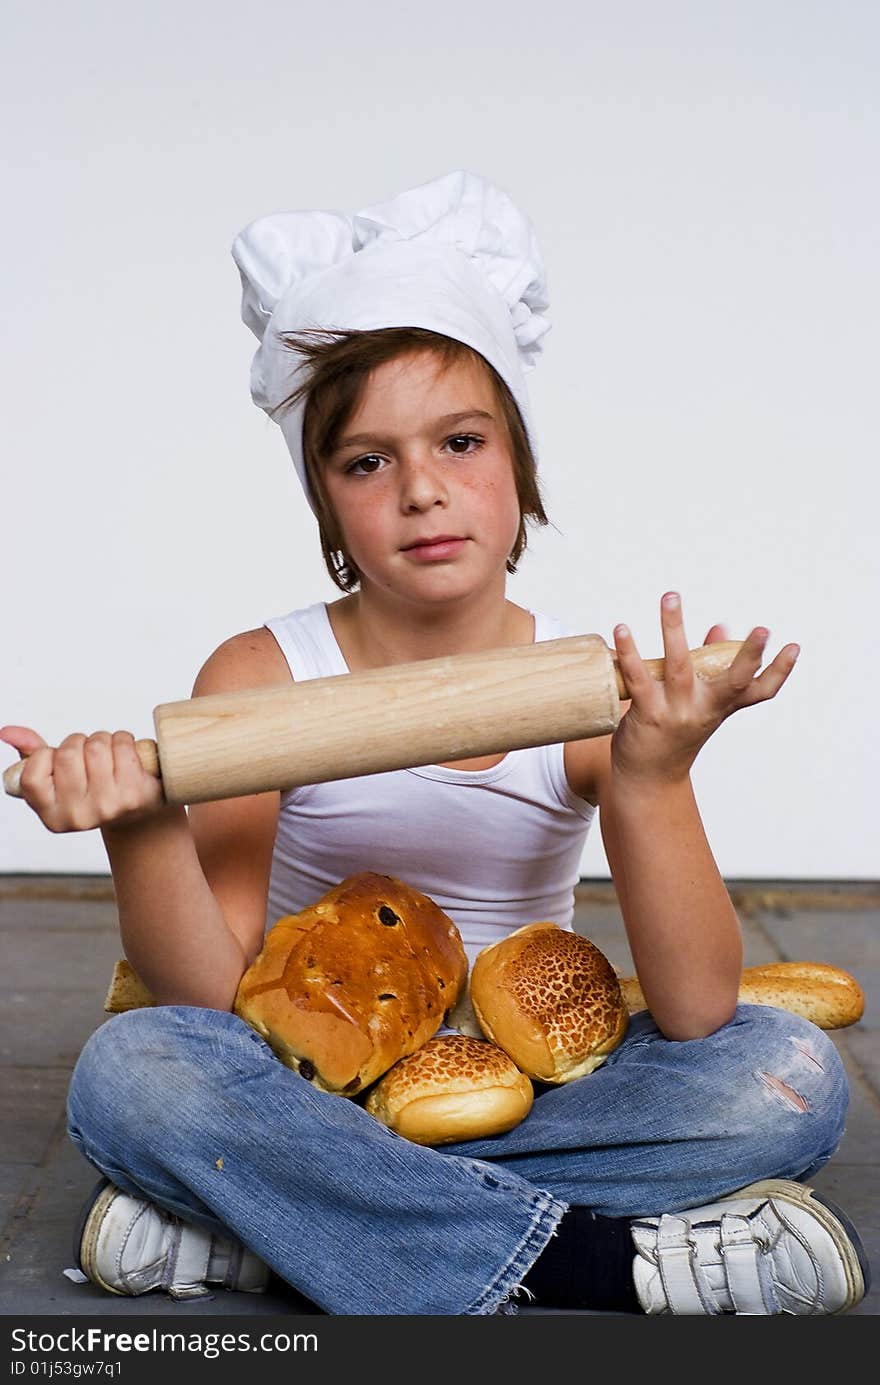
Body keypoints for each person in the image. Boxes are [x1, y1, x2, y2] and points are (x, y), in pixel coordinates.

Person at [1, 171, 869, 1316]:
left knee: (789, 1077)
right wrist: (141, 826)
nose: (421, 490)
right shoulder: (262, 675)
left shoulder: (583, 684)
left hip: (518, 1091)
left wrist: (655, 774)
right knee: (134, 1074)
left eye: (460, 442)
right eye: (367, 462)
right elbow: (212, 996)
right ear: (327, 508)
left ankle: (279, 1227)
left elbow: (699, 1004)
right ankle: (597, 1264)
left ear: (519, 471)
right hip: (307, 1084)